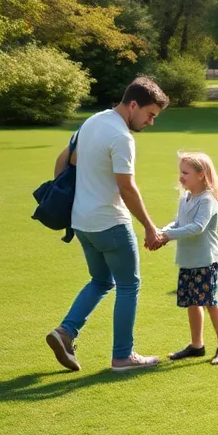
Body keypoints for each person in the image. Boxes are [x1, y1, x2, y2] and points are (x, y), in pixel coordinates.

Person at [44, 77, 170, 373]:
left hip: (82, 222)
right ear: (133, 105)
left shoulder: (92, 121)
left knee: (101, 280)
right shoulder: (122, 137)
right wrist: (150, 228)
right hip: (110, 222)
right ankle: (122, 356)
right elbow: (127, 188)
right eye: (150, 114)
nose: (151, 122)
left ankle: (65, 331)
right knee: (129, 285)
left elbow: (63, 161)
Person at [161, 152, 218, 366]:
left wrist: (167, 236)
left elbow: (197, 227)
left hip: (205, 261)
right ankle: (197, 345)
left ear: (201, 175)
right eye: (180, 172)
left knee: (210, 303)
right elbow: (178, 222)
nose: (181, 177)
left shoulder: (207, 199)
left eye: (185, 173)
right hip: (188, 259)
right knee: (192, 302)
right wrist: (161, 232)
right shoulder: (186, 197)